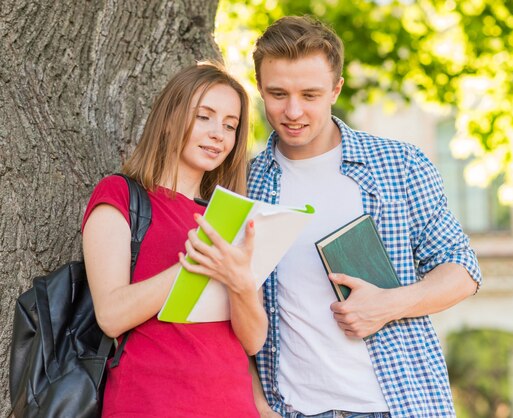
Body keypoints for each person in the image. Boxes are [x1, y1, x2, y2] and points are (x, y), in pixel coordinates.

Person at [247, 16, 482, 418]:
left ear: (336, 89)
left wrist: (389, 304)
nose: (293, 110)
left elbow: (462, 271)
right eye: (277, 93)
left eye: (310, 94)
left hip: (400, 406)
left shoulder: (399, 164)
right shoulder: (244, 183)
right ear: (259, 88)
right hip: (294, 411)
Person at [82, 62, 267, 417]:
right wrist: (194, 264)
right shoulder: (120, 194)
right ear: (169, 118)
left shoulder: (233, 217)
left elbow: (253, 340)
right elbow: (111, 315)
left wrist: (242, 284)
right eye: (204, 117)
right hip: (151, 402)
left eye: (230, 126)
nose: (219, 134)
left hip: (234, 406)